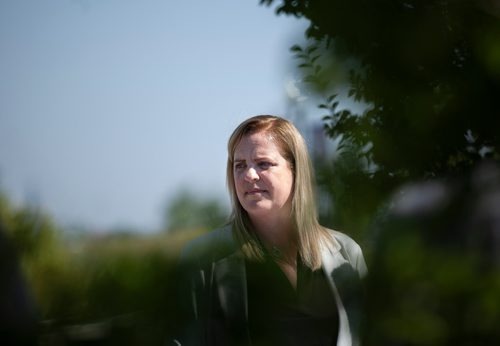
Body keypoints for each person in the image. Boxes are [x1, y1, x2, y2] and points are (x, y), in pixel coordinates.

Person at [173, 115, 367, 346]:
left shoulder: (346, 252)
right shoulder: (202, 259)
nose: (249, 175)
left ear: (296, 170)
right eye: (240, 165)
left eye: (263, 163)